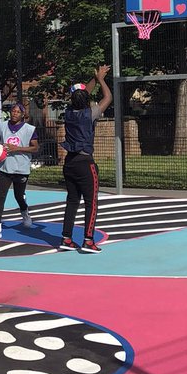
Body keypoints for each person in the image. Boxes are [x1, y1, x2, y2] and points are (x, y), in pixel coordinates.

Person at [58, 66, 112, 252]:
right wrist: (101, 80)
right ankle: (88, 240)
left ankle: (66, 238)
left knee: (72, 200)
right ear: (86, 100)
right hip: (85, 163)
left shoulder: (68, 113)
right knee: (91, 202)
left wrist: (95, 78)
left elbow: (83, 94)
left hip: (69, 163)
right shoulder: (91, 113)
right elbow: (108, 98)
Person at [0, 101, 39, 239]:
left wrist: (16, 148)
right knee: (1, 196)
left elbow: (35, 148)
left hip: (21, 168)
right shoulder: (1, 126)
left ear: (22, 114)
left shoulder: (29, 129)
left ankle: (25, 213)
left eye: (18, 112)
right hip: (4, 167)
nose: (14, 113)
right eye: (13, 111)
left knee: (19, 196)